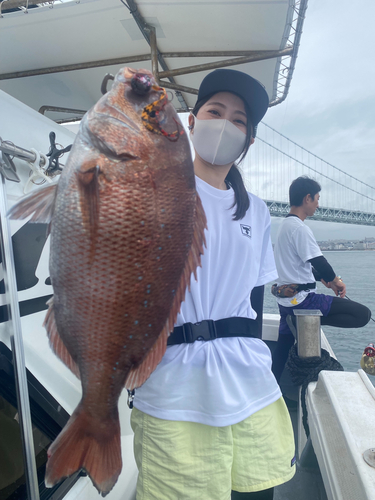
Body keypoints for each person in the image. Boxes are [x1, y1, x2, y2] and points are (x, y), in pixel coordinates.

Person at [130, 69, 296, 500]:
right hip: (174, 388)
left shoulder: (258, 212)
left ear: (249, 140)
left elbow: (254, 303)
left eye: (239, 120)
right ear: (191, 121)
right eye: (215, 111)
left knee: (260, 491)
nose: (225, 124)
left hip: (250, 384)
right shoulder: (153, 189)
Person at [271, 176, 371, 383]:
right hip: (303, 302)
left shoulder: (284, 227)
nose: (318, 204)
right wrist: (335, 280)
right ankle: (308, 321)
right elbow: (319, 261)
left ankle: (271, 392)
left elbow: (298, 266)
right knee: (363, 315)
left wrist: (322, 279)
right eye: (317, 198)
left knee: (280, 356)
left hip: (286, 303)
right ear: (307, 198)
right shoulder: (300, 228)